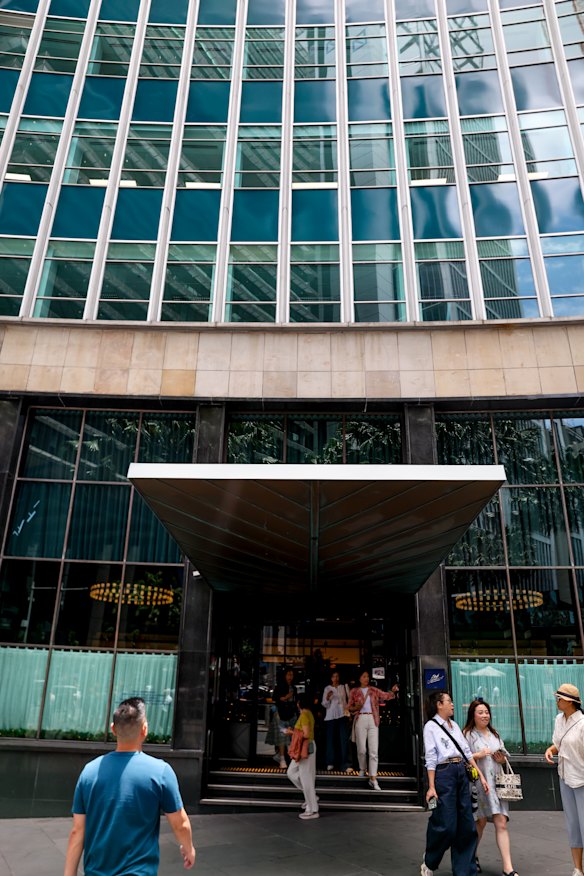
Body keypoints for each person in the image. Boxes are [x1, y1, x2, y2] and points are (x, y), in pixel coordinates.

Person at [64, 697, 195, 876]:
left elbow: (77, 831)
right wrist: (189, 849)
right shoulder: (160, 772)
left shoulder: (89, 772)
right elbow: (180, 825)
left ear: (113, 729)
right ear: (145, 729)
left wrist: (69, 874)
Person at [421, 691, 489, 876]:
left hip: (461, 772)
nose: (452, 704)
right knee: (446, 824)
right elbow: (430, 757)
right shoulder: (431, 727)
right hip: (444, 773)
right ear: (439, 705)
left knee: (467, 825)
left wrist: (480, 775)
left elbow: (466, 752)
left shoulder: (455, 725)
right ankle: (430, 860)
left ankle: (465, 872)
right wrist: (431, 786)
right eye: (449, 701)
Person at [463, 698, 518, 876]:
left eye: (486, 712)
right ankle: (472, 857)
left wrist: (501, 759)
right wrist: (477, 754)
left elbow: (504, 755)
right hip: (478, 785)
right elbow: (462, 758)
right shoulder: (468, 734)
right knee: (479, 823)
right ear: (473, 715)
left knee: (501, 822)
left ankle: (508, 868)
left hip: (497, 784)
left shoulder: (494, 734)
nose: (485, 715)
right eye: (480, 712)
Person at [545, 683, 584, 876]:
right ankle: (577, 868)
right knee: (573, 825)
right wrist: (551, 750)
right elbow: (558, 743)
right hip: (565, 776)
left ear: (569, 701)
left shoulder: (582, 723)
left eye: (559, 698)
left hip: (582, 779)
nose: (557, 701)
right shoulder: (559, 720)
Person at [347, 669, 399, 790]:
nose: (366, 679)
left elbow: (385, 696)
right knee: (361, 749)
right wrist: (356, 707)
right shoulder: (354, 691)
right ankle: (362, 768)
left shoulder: (373, 690)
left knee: (373, 751)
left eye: (367, 676)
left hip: (373, 719)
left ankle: (373, 778)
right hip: (360, 718)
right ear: (359, 678)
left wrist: (392, 691)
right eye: (364, 676)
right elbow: (349, 707)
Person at [286, 693, 319, 819]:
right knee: (291, 772)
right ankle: (312, 797)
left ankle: (312, 809)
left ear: (299, 703)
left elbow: (305, 734)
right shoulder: (308, 713)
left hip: (305, 748)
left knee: (306, 778)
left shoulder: (304, 715)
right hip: (305, 748)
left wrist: (291, 732)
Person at [321, 670, 351, 772]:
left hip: (343, 715)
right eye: (334, 676)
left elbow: (349, 701)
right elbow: (324, 704)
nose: (336, 678)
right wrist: (327, 698)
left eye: (337, 676)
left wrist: (349, 713)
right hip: (330, 717)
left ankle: (345, 764)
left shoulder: (344, 687)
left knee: (343, 740)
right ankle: (330, 762)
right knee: (330, 740)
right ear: (331, 678)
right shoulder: (327, 688)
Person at [268, 667, 297, 768]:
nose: (290, 677)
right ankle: (282, 758)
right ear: (284, 676)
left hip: (291, 714)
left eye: (292, 675)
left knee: (291, 736)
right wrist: (286, 697)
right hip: (281, 714)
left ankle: (288, 757)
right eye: (288, 674)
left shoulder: (294, 687)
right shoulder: (280, 687)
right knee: (282, 737)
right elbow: (275, 698)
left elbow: (295, 701)